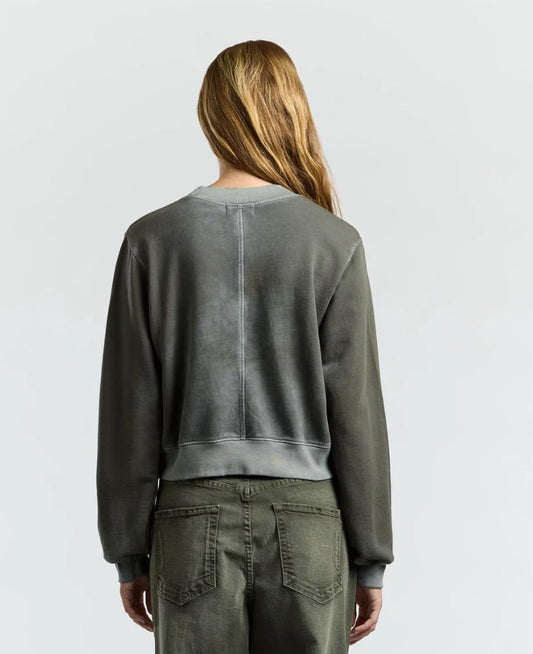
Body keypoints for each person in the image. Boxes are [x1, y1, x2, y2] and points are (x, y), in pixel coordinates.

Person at [96, 39, 394, 653]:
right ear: (290, 111)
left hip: (187, 521)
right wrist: (371, 557)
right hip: (309, 526)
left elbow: (130, 410)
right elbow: (355, 410)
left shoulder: (151, 240)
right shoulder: (333, 242)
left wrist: (128, 549)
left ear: (211, 115)